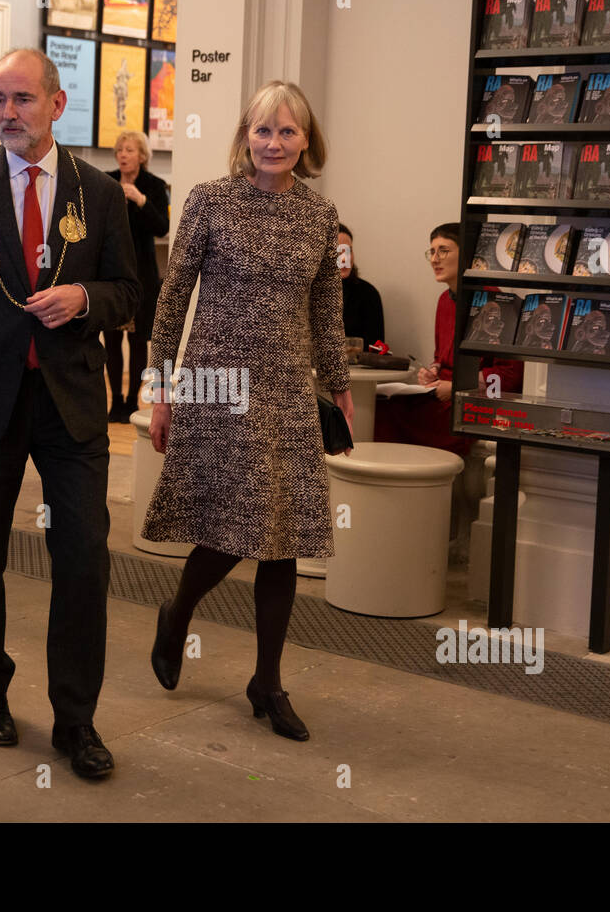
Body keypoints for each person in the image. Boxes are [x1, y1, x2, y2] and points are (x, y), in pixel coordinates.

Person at [0, 48, 139, 779]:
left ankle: (75, 719)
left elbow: (128, 292)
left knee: (83, 556)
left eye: (21, 98)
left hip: (71, 401)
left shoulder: (98, 193)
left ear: (56, 102)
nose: (7, 113)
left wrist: (85, 300)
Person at [142, 81, 354, 742]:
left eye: (288, 132)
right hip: (215, 386)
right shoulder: (209, 200)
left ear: (305, 142)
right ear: (246, 137)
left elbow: (326, 310)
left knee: (281, 534)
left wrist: (339, 386)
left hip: (289, 389)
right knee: (235, 524)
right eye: (263, 131)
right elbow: (172, 298)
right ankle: (177, 613)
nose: (274, 143)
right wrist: (159, 387)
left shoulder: (321, 215)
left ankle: (267, 680)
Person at [374, 222, 523, 453]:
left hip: (475, 402)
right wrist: (431, 370)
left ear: (466, 254)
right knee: (382, 406)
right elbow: (440, 357)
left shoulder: (500, 303)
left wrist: (456, 387)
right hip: (441, 394)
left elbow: (511, 376)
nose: (435, 259)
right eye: (432, 252)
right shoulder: (445, 300)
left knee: (393, 415)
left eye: (443, 250)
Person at [105, 128, 168, 421]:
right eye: (120, 150)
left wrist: (140, 200)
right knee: (113, 338)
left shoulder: (153, 185)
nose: (123, 156)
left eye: (129, 150)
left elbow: (161, 227)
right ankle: (115, 399)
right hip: (111, 273)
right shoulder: (106, 181)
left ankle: (132, 400)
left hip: (141, 274)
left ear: (142, 156)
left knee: (139, 339)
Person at [337, 222, 384, 351]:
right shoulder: (307, 293)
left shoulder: (368, 293)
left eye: (348, 251)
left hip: (359, 370)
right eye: (338, 252)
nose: (344, 258)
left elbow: (376, 347)